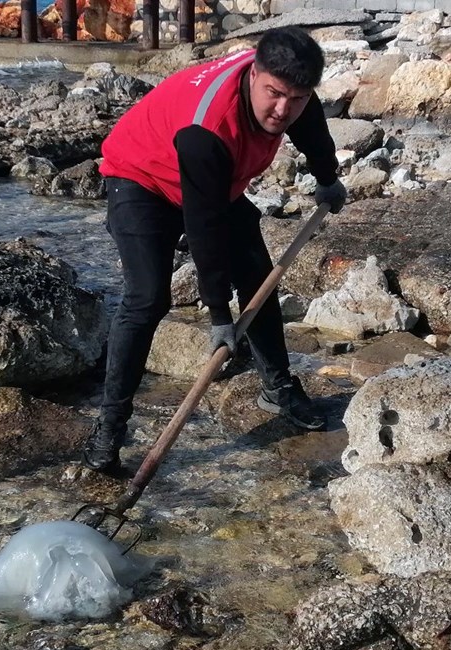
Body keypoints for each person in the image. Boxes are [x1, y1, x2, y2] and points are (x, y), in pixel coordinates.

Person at [86, 26, 348, 471]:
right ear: (253, 74)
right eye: (274, 94)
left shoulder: (293, 92)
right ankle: (109, 427)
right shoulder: (207, 127)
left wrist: (327, 178)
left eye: (297, 98)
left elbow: (311, 127)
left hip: (211, 184)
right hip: (140, 178)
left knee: (257, 276)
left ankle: (278, 389)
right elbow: (203, 226)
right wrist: (218, 317)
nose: (283, 109)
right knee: (147, 298)